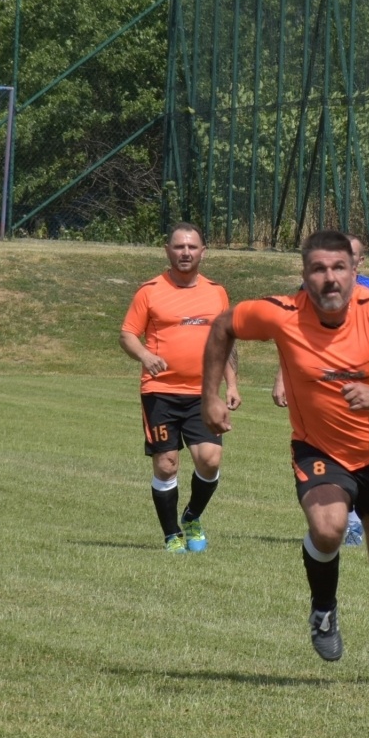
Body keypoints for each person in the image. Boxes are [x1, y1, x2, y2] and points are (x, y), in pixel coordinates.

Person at [202, 229, 369, 685]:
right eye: (318, 269)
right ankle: (324, 609)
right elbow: (222, 326)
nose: (329, 278)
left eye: (338, 268)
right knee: (327, 527)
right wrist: (209, 396)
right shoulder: (281, 313)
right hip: (319, 449)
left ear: (354, 272)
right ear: (304, 275)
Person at [120, 223, 240, 553]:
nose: (185, 252)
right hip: (159, 391)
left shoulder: (216, 291)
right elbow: (128, 334)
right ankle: (172, 534)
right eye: (178, 246)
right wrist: (145, 354)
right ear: (167, 250)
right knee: (166, 464)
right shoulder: (150, 290)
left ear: (203, 251)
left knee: (210, 459)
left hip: (203, 394)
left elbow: (225, 342)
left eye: (191, 247)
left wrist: (231, 383)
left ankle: (192, 516)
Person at [270, 234, 369, 547]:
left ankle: (358, 515)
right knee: (329, 450)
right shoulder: (312, 292)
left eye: (353, 257)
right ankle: (344, 520)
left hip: (362, 391)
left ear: (359, 262)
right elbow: (292, 340)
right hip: (320, 390)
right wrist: (282, 377)